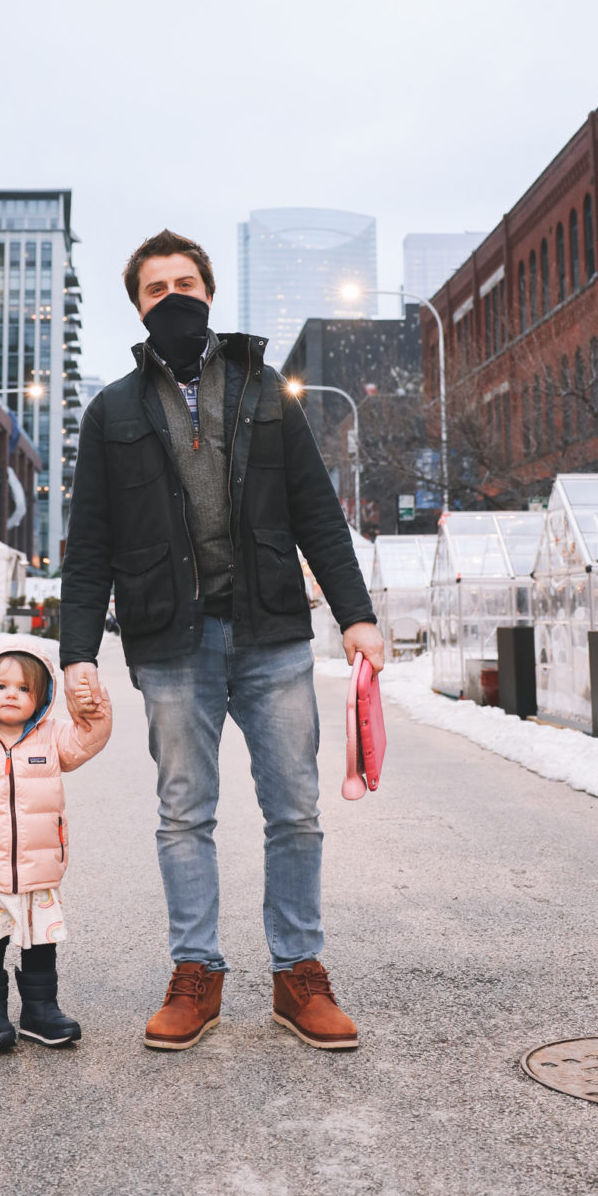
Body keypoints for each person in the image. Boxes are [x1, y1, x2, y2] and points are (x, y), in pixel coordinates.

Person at [60, 228, 383, 1053]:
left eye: (184, 283)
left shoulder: (261, 388)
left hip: (268, 627)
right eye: (154, 289)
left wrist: (356, 614)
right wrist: (75, 655)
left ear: (208, 292)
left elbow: (315, 510)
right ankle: (194, 973)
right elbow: (88, 540)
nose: (172, 298)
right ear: (136, 306)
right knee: (182, 814)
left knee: (295, 811)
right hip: (169, 641)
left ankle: (297, 974)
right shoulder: (112, 411)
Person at [0, 634, 112, 1053]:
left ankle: (40, 1011)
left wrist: (93, 701)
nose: (12, 695)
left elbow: (89, 738)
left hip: (40, 869)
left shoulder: (52, 740)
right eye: (1, 686)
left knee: (41, 944)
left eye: (25, 688)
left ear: (42, 698)